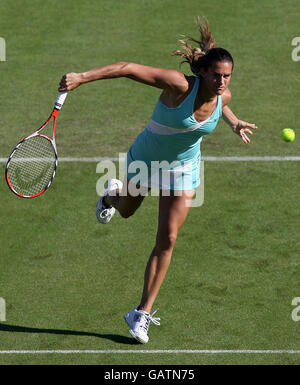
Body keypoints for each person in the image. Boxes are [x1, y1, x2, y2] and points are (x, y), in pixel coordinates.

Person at [58, 17, 257, 344]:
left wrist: (233, 123)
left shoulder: (225, 96)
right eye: (217, 75)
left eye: (227, 76)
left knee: (168, 238)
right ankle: (111, 196)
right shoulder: (179, 86)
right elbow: (126, 67)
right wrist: (82, 77)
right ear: (203, 73)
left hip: (184, 169)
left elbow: (222, 105)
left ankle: (141, 313)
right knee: (125, 211)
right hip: (147, 160)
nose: (222, 82)